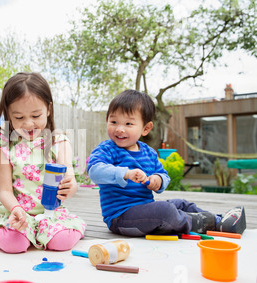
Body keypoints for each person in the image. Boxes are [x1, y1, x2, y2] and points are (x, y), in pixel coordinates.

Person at [87, 89, 246, 237]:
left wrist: (158, 180)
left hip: (146, 212)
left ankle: (219, 220)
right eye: (114, 122)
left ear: (146, 128)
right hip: (121, 218)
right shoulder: (107, 149)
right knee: (165, 211)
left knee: (180, 203)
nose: (120, 129)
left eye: (128, 124)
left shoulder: (148, 152)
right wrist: (126, 173)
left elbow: (163, 174)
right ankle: (204, 223)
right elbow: (95, 171)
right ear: (107, 120)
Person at [0, 72, 86, 253]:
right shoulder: (5, 144)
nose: (28, 124)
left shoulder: (59, 141)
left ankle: (69, 228)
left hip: (51, 214)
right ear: (8, 114)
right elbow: (5, 191)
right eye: (19, 117)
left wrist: (70, 186)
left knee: (61, 243)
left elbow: (70, 180)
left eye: (36, 116)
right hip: (18, 213)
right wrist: (16, 209)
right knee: (15, 245)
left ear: (48, 109)